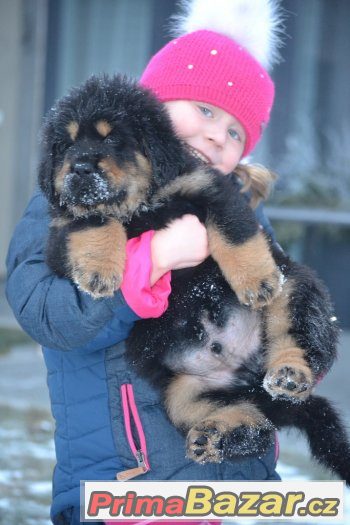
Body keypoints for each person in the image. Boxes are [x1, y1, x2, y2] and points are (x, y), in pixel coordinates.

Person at [6, 1, 285, 523]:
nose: (215, 137)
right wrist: (151, 258)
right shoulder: (76, 188)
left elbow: (281, 306)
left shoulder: (239, 213)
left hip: (240, 487)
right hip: (131, 488)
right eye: (204, 110)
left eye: (235, 133)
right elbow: (46, 313)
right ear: (149, 108)